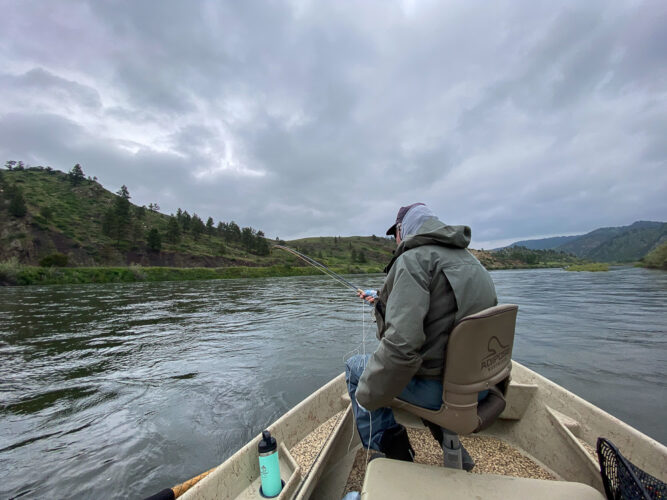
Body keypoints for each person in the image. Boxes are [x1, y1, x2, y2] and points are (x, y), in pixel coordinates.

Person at [345, 203, 498, 467]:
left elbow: (401, 348)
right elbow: (441, 312)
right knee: (428, 364)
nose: (395, 239)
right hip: (482, 388)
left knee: (357, 368)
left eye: (396, 232)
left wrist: (369, 395)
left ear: (405, 230)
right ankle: (460, 457)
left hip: (440, 392)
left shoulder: (412, 261)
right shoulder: (470, 261)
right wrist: (381, 300)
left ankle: (394, 454)